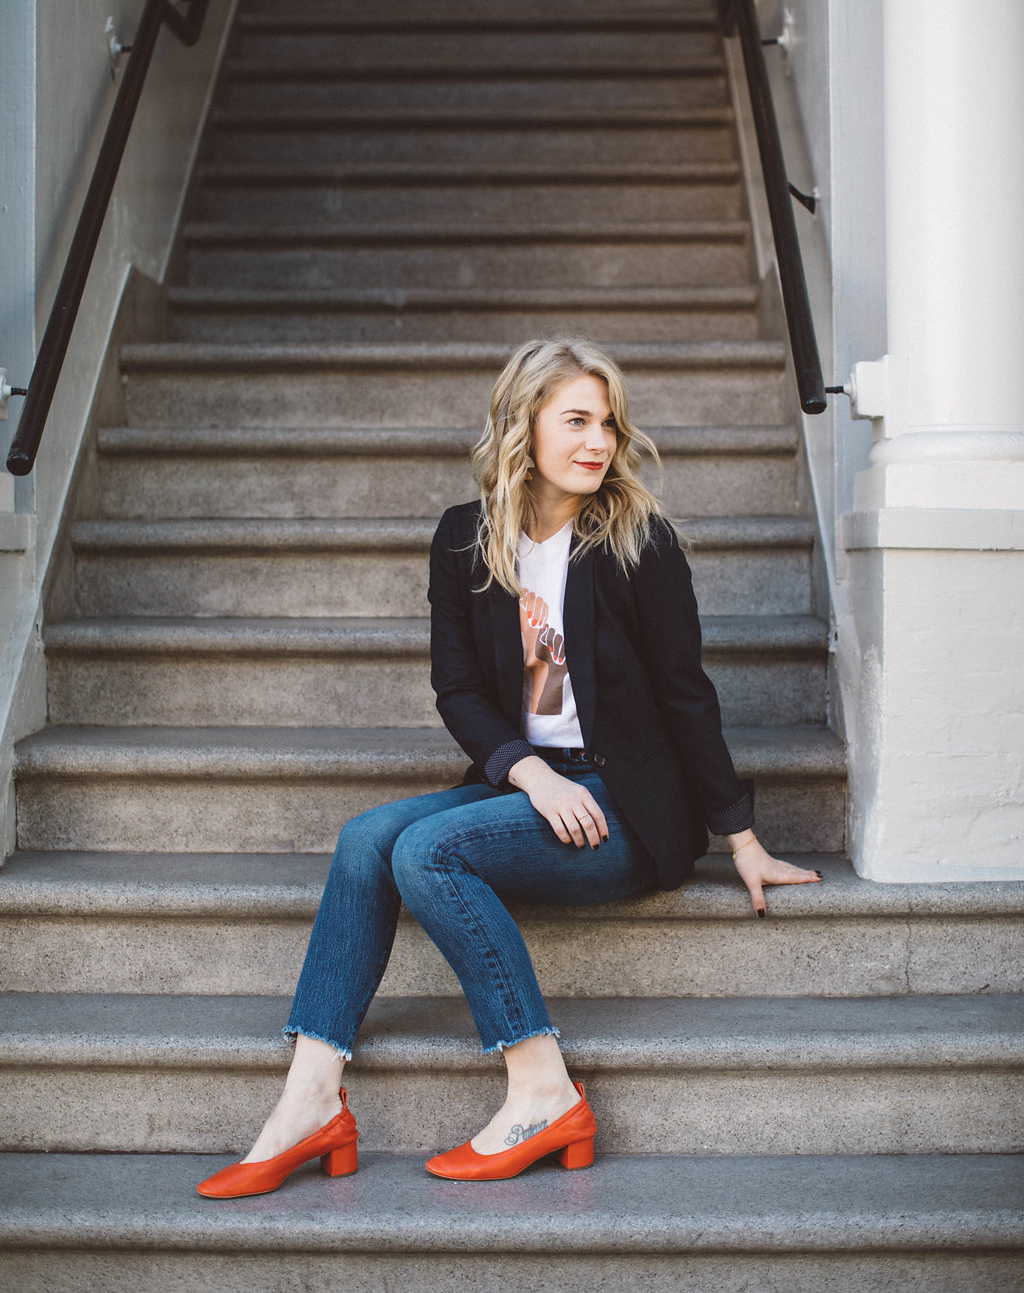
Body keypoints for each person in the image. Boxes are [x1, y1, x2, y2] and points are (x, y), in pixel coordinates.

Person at [197, 338, 822, 1199]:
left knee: (427, 854)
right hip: (533, 781)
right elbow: (456, 687)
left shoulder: (641, 541)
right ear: (521, 423)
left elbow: (686, 695)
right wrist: (529, 772)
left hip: (624, 806)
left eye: (608, 422)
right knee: (363, 840)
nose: (599, 440)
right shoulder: (466, 537)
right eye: (576, 419)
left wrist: (740, 836)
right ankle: (309, 1099)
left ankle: (542, 1089)